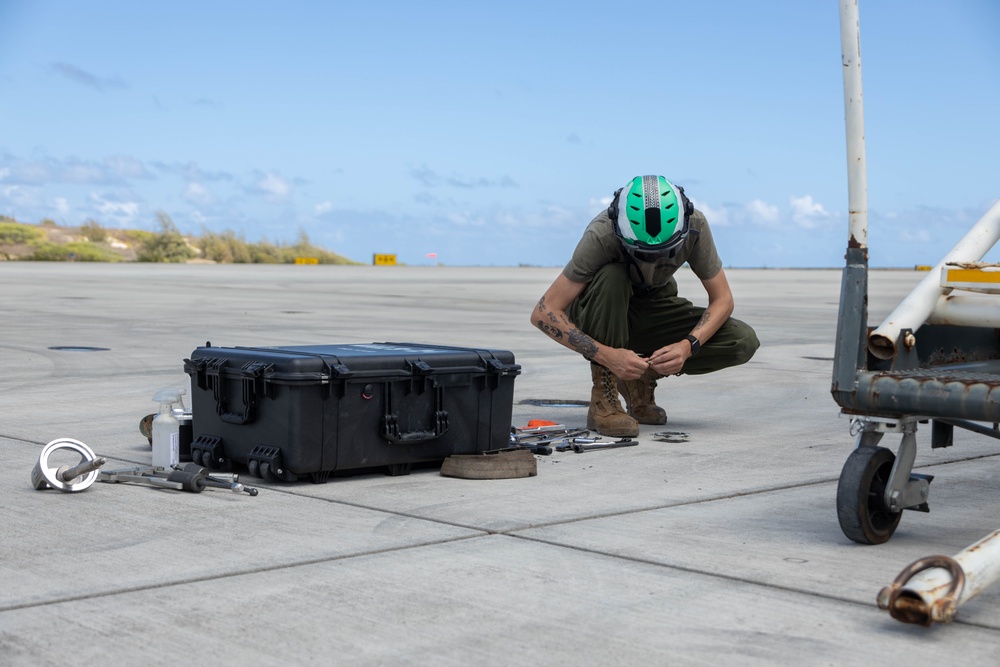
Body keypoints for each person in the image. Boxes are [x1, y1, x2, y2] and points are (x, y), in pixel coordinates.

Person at [529, 175, 759, 437]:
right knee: (612, 277)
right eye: (643, 254)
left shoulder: (696, 226)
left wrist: (687, 346)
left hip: (652, 307)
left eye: (665, 252)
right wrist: (607, 356)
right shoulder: (602, 233)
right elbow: (544, 312)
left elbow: (723, 299)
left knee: (742, 340)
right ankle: (604, 399)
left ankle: (640, 378)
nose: (653, 260)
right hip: (599, 310)